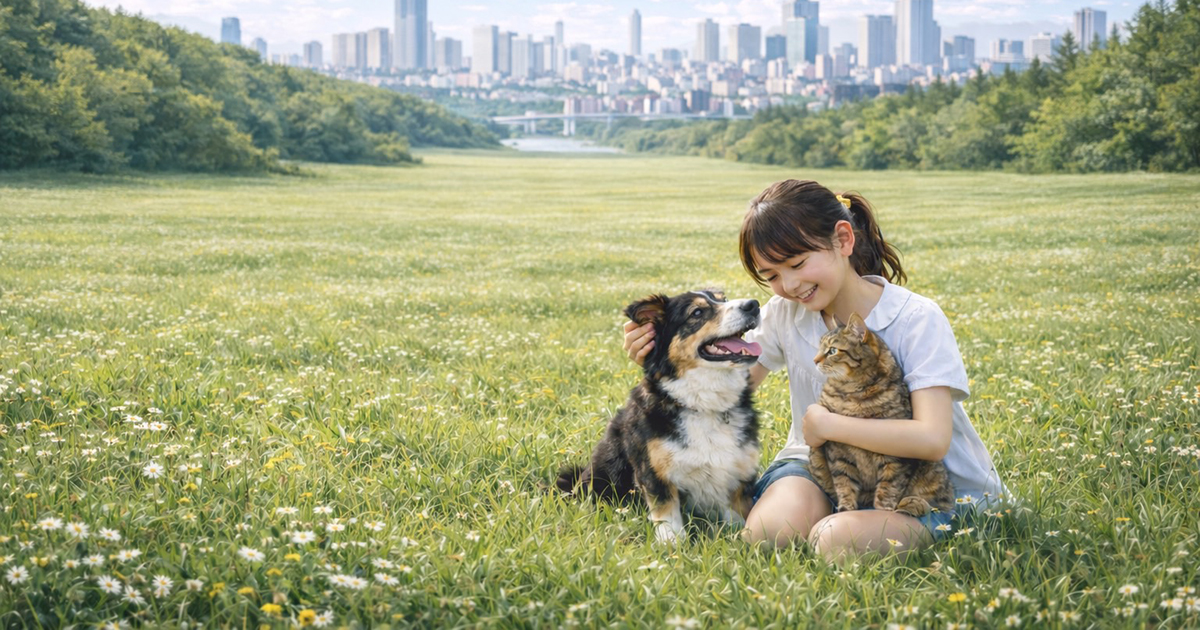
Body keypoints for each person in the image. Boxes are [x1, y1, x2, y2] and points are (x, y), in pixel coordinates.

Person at [622, 179, 1006, 561]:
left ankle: (863, 522)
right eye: (771, 275)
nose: (789, 285)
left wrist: (829, 427)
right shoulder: (785, 313)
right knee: (768, 533)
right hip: (822, 468)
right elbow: (729, 391)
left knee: (835, 541)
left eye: (797, 263)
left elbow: (932, 438)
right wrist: (673, 362)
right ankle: (837, 511)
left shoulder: (916, 319)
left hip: (922, 485)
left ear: (843, 240)